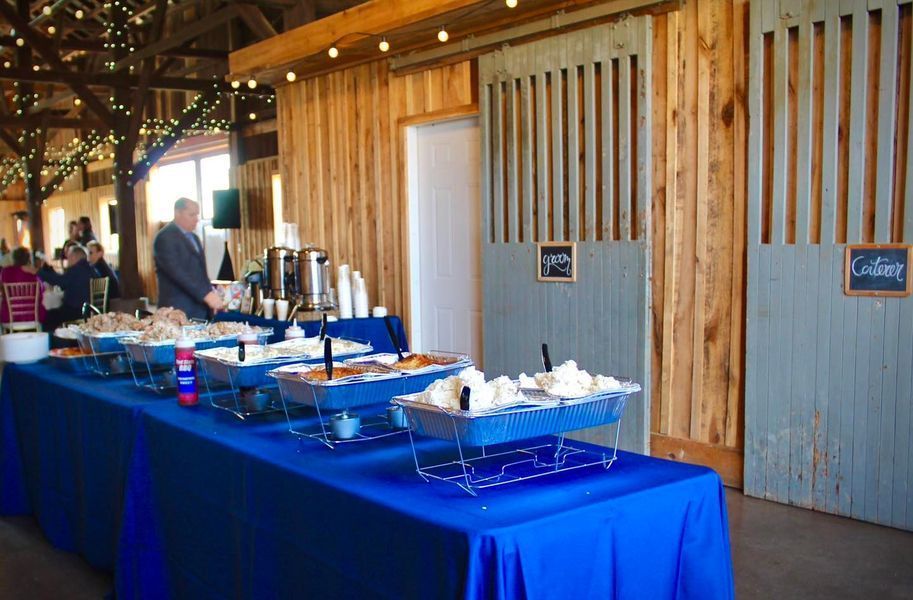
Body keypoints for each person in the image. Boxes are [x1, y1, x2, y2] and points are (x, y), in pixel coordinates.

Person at [153, 198, 223, 320]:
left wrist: (211, 293)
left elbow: (200, 272)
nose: (196, 219)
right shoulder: (165, 237)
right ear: (177, 213)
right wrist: (205, 294)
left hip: (200, 308)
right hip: (177, 309)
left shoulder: (194, 238)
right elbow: (177, 273)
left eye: (197, 214)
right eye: (191, 215)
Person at [33, 245, 97, 332]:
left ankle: (53, 344)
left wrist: (39, 272)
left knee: (47, 317)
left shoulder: (76, 269)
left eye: (69, 257)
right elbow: (64, 283)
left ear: (75, 257)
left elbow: (60, 282)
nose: (68, 260)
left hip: (76, 311)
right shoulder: (91, 269)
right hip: (90, 309)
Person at [0, 247, 46, 326]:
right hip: (33, 317)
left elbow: (2, 290)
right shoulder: (33, 272)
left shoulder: (5, 272)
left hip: (9, 317)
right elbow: (42, 291)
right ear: (28, 259)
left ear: (14, 258)